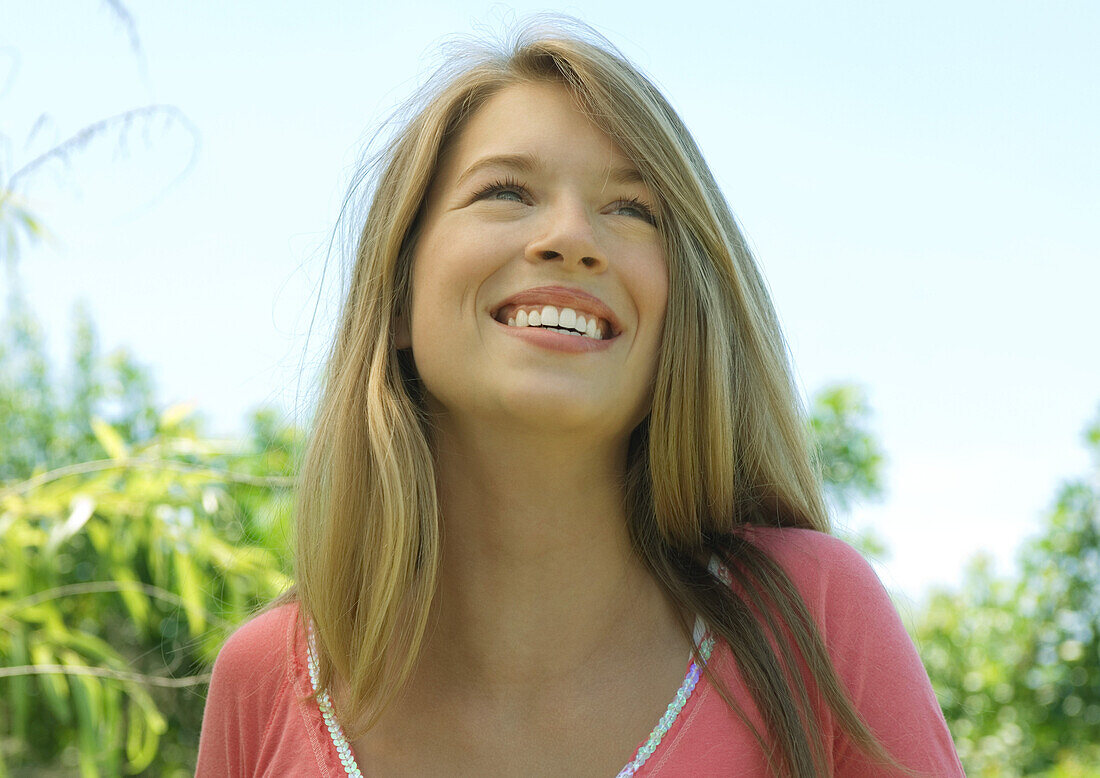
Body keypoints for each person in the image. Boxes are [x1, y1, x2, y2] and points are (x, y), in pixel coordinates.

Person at [196, 16, 964, 777]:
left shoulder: (813, 616)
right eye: (505, 192)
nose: (570, 235)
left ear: (684, 313)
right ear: (397, 296)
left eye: (631, 210)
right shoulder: (263, 679)